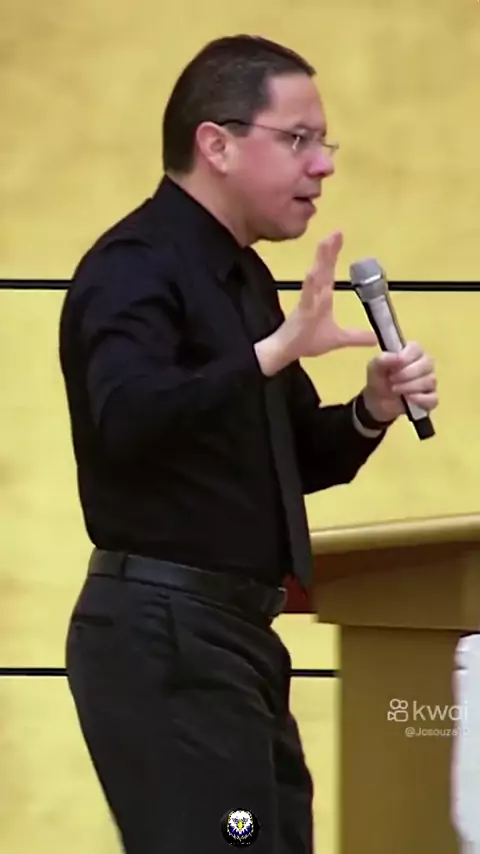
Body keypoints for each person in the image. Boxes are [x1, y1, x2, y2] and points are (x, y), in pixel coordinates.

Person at [59, 34, 438, 854]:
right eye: (299, 139)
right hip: (166, 635)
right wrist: (269, 353)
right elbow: (124, 418)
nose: (323, 166)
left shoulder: (244, 277)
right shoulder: (134, 265)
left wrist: (370, 409)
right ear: (217, 144)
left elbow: (293, 455)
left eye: (325, 143)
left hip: (235, 638)